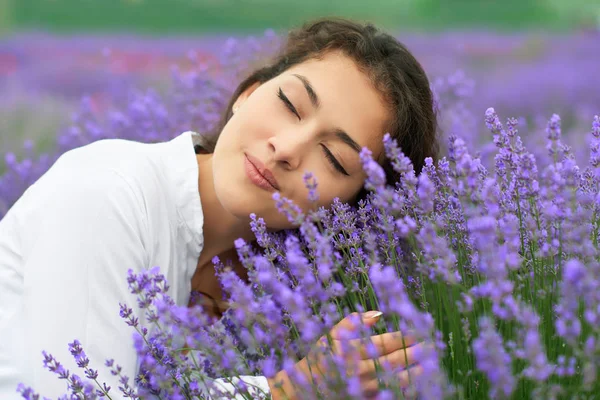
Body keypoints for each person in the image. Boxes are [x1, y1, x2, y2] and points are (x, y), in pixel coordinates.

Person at [0, 17, 439, 399]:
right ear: (247, 93)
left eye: (334, 159)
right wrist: (288, 390)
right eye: (289, 104)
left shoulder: (277, 289)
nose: (285, 149)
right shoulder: (107, 193)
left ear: (345, 209)